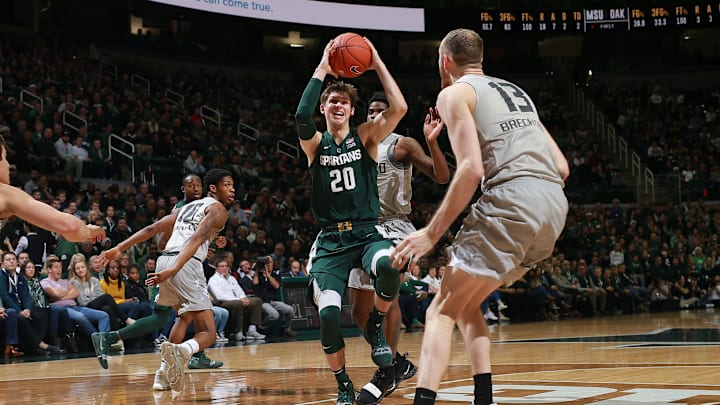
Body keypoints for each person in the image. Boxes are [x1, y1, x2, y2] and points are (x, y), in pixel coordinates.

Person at [390, 29, 570, 405]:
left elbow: (470, 170)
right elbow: (562, 167)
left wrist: (431, 233)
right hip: (553, 207)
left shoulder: (453, 92)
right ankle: (484, 399)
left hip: (512, 200)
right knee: (466, 303)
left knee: (439, 308)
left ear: (445, 61)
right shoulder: (518, 93)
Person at [294, 37, 407, 405]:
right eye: (332, 101)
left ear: (352, 110)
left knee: (390, 265)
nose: (338, 104)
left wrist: (376, 62)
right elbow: (299, 116)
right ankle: (343, 383)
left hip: (364, 233)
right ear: (324, 108)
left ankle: (375, 325)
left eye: (344, 101)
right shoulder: (315, 144)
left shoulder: (367, 137)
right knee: (328, 316)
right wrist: (324, 68)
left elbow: (400, 107)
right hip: (329, 242)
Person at [92, 168, 234, 393]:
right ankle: (184, 352)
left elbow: (153, 228)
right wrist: (176, 267)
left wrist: (119, 248)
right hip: (182, 265)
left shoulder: (187, 207)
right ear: (214, 189)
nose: (232, 189)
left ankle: (162, 374)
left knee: (183, 316)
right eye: (228, 185)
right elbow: (196, 238)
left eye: (233, 185)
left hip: (164, 261)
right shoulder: (219, 210)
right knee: (208, 333)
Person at [348, 92, 449, 403]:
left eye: (382, 110)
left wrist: (432, 141)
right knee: (358, 312)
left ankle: (385, 372)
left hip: (393, 226)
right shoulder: (351, 146)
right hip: (360, 228)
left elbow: (441, 176)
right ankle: (397, 365)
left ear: (392, 115)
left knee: (386, 297)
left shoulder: (401, 144)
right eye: (371, 110)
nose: (375, 115)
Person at [0, 136, 106, 244]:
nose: (8, 164)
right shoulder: (5, 193)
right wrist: (89, 231)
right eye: (5, 157)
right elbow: (71, 227)